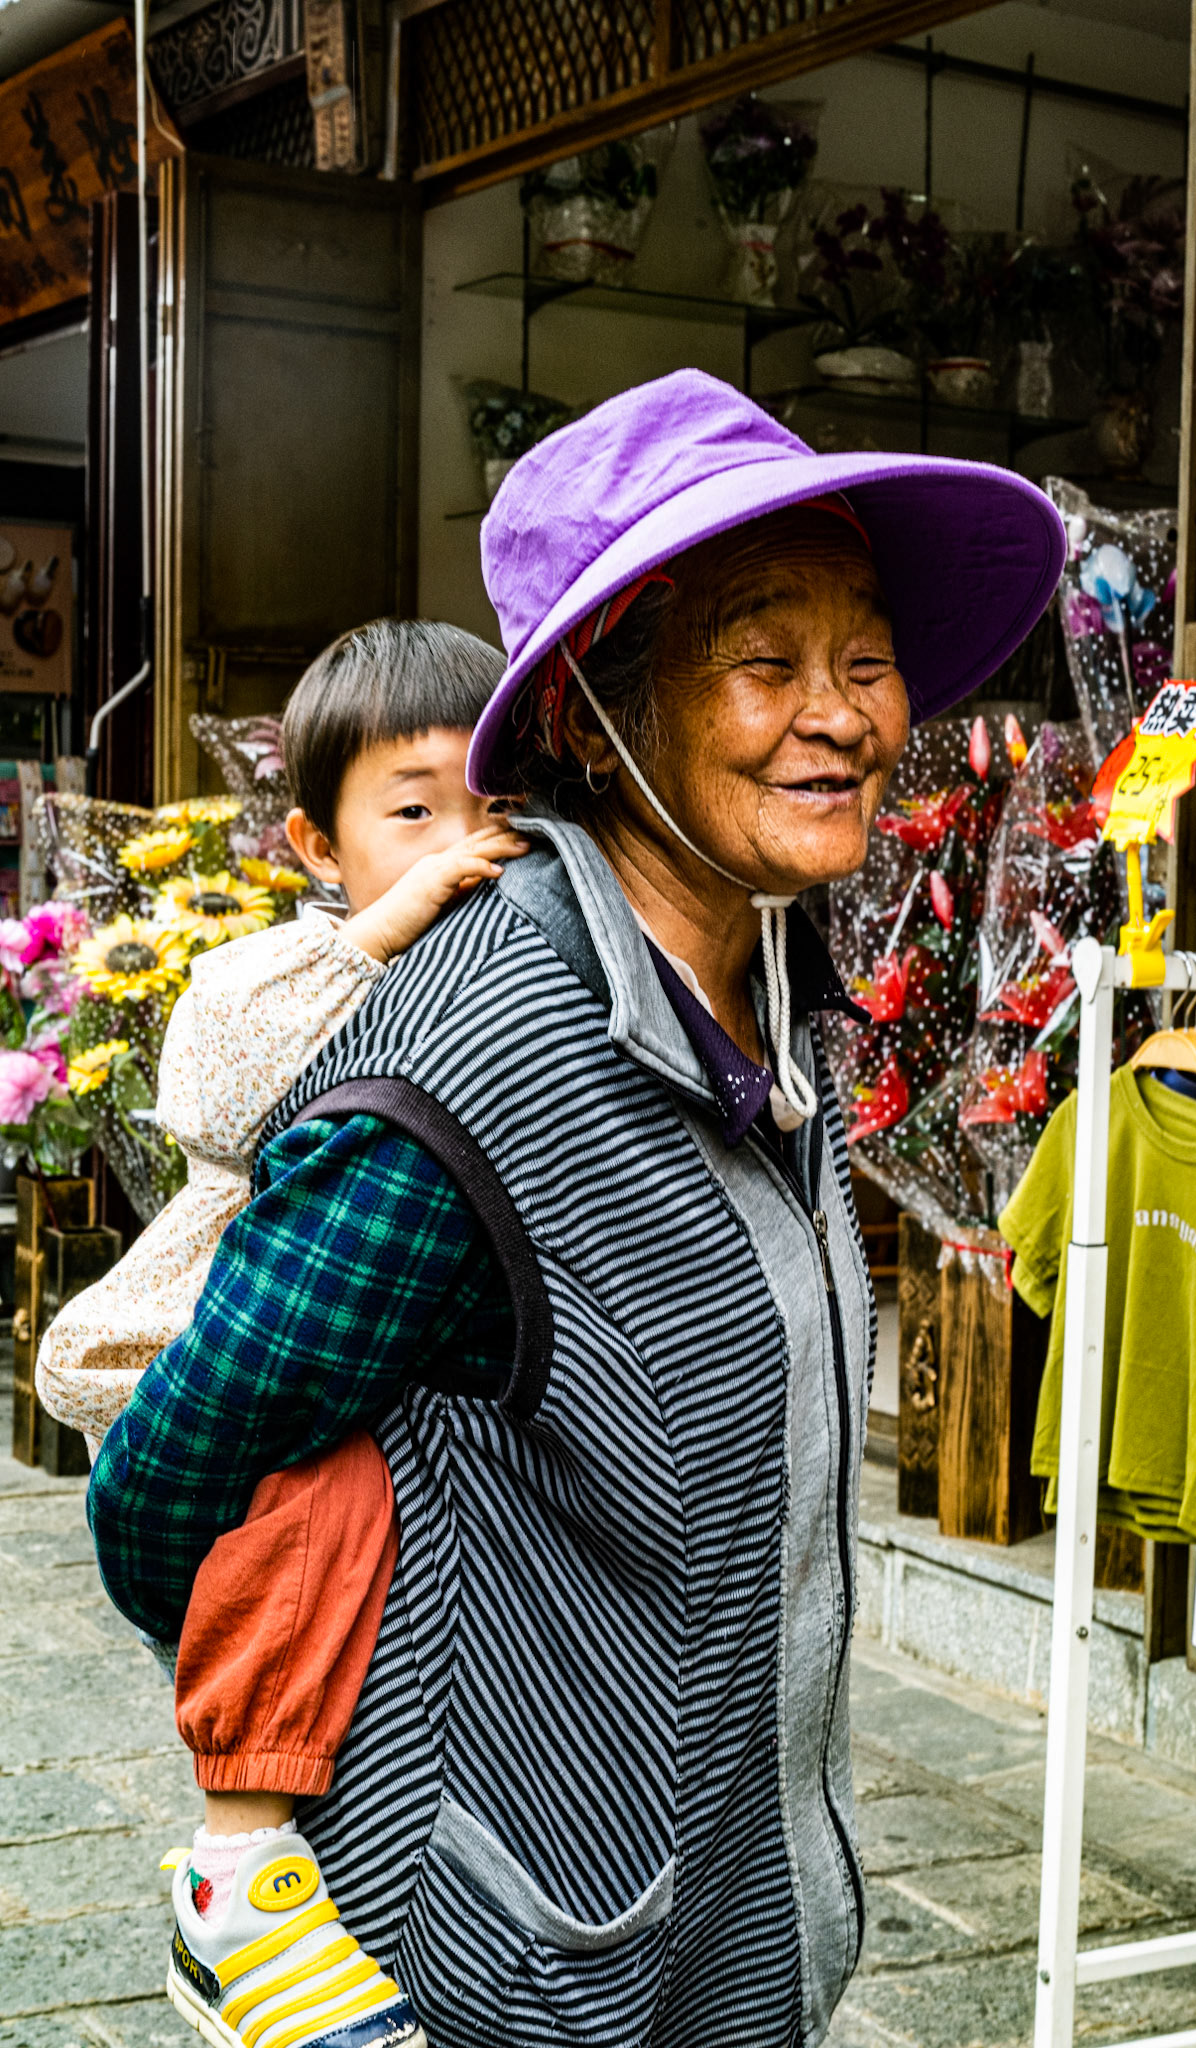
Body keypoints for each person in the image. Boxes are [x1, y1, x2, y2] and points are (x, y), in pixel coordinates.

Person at [88, 369, 1064, 2048]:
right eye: (765, 661)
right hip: (500, 1970)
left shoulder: (760, 983)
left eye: (864, 657)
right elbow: (168, 1477)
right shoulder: (485, 1050)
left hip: (722, 1929)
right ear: (596, 714)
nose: (839, 713)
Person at [45, 620, 525, 2048]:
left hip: (338, 1318)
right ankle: (237, 1870)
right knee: (320, 1505)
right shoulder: (289, 966)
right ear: (318, 848)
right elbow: (218, 1093)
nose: (462, 840)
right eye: (414, 810)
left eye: (493, 804)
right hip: (202, 1307)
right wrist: (391, 927)